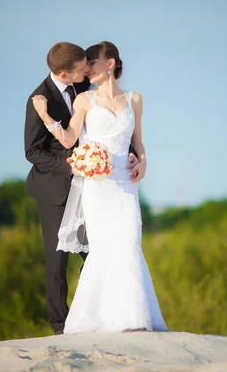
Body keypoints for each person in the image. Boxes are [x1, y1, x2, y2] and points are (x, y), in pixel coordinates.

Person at [31, 41, 168, 333]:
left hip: (126, 186)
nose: (88, 68)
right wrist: (45, 116)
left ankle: (133, 317)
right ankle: (94, 320)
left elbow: (138, 141)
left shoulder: (135, 100)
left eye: (93, 62)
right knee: (103, 248)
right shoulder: (84, 101)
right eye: (86, 63)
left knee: (129, 243)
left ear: (111, 63)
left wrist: (143, 162)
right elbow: (68, 141)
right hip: (96, 187)